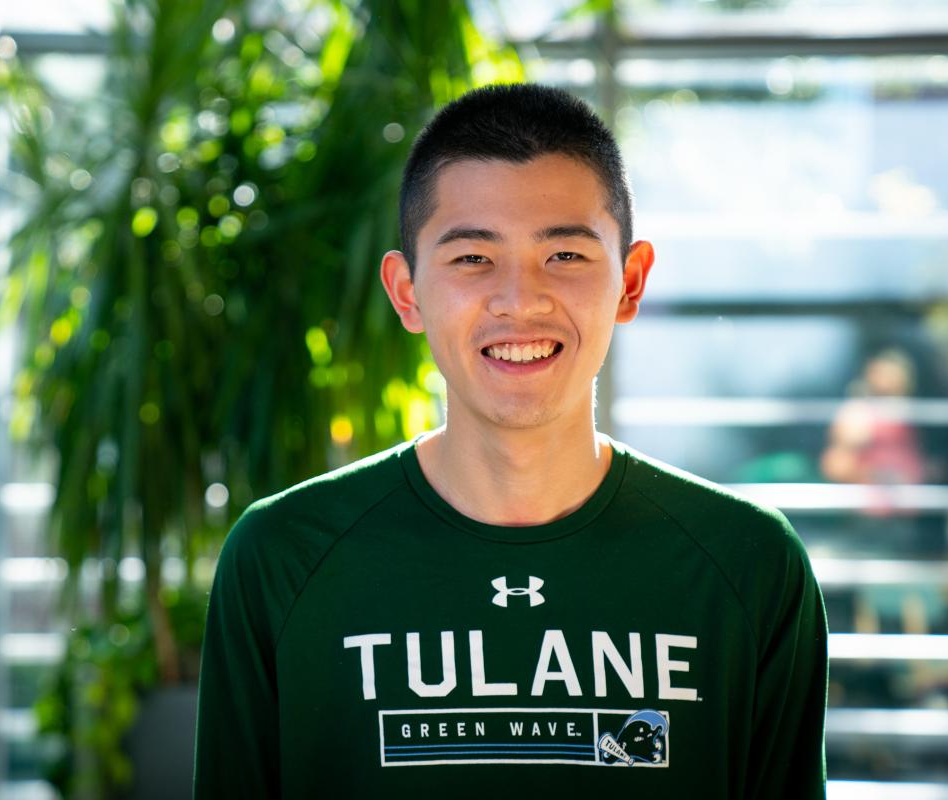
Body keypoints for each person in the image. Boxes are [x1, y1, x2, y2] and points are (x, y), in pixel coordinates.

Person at [193, 83, 828, 799]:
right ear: (407, 292)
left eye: (564, 256)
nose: (520, 301)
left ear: (631, 280)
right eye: (472, 259)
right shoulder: (283, 558)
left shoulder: (748, 566)